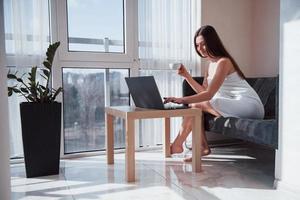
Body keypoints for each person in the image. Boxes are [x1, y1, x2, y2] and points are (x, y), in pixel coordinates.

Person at [163, 25, 265, 162]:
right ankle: (199, 147)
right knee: (195, 107)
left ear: (212, 42)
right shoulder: (210, 65)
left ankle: (178, 144)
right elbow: (204, 92)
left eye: (204, 44)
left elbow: (209, 95)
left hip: (249, 105)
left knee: (196, 105)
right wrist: (187, 76)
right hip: (232, 103)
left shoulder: (224, 62)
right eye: (197, 45)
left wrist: (181, 100)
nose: (200, 49)